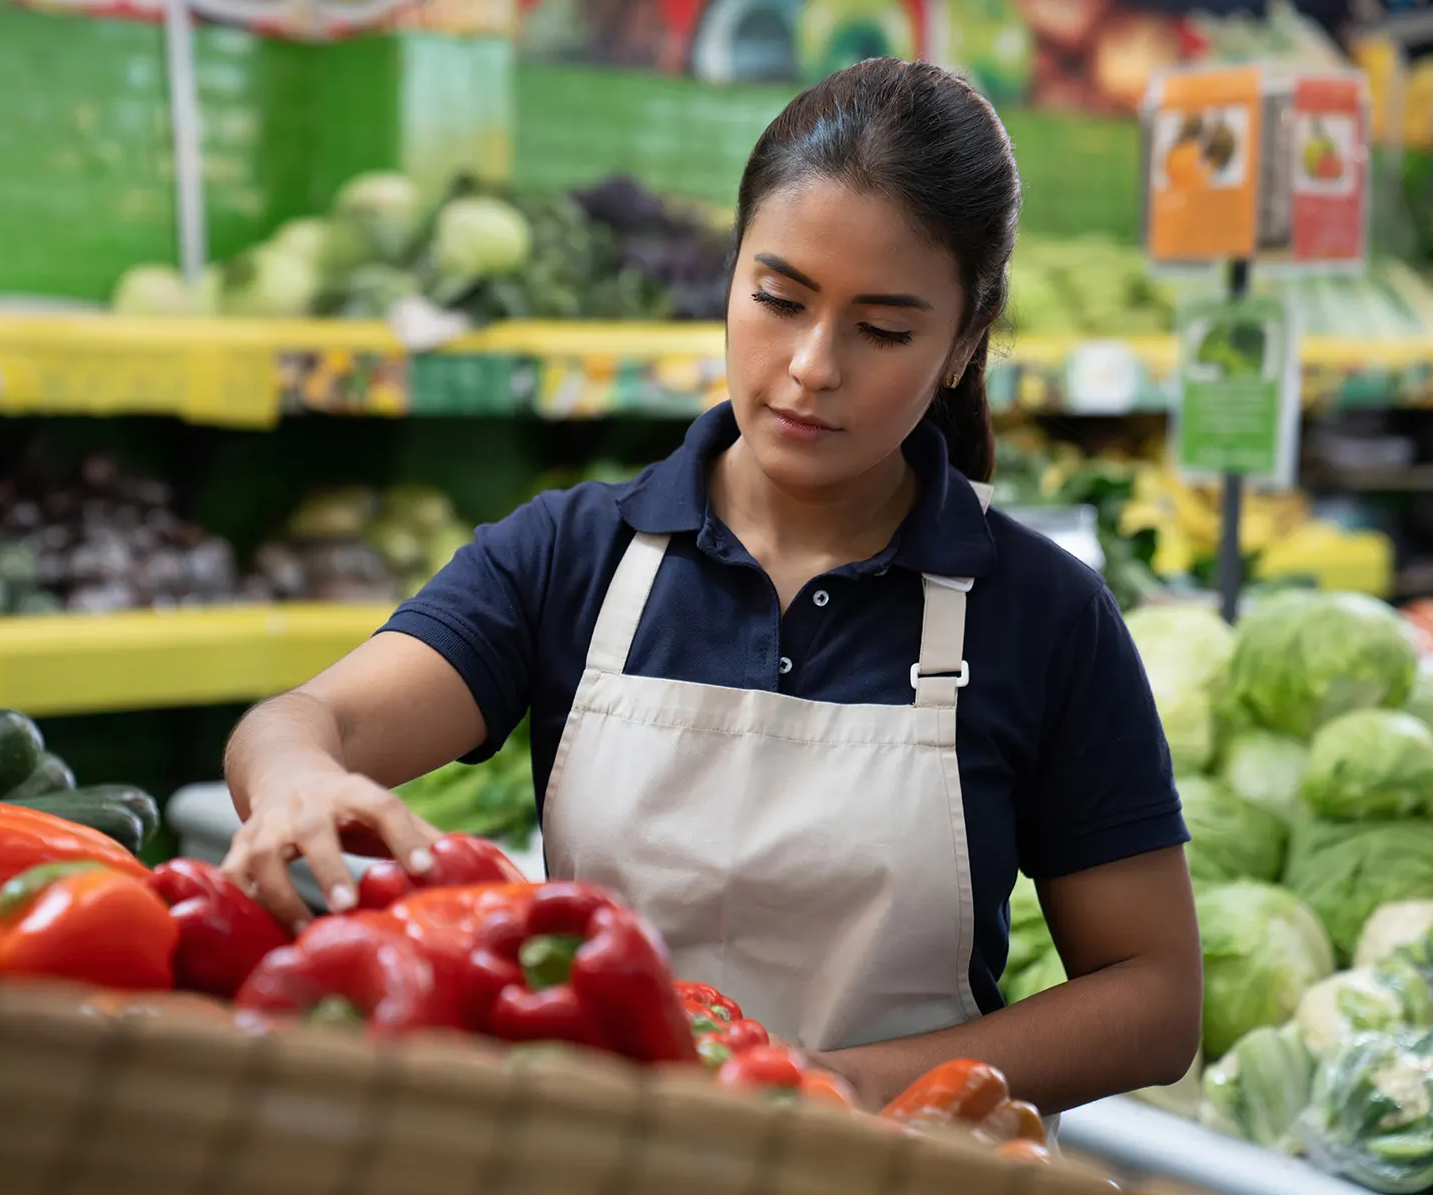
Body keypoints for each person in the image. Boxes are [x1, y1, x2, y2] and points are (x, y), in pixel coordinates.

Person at [222, 57, 1202, 1114]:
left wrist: (850, 1085)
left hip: (894, 1165)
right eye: (778, 299)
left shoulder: (1043, 615)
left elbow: (1153, 999)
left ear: (965, 341)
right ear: (731, 275)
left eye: (884, 331)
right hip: (598, 1156)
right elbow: (302, 721)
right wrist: (295, 780)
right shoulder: (572, 554)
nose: (810, 367)